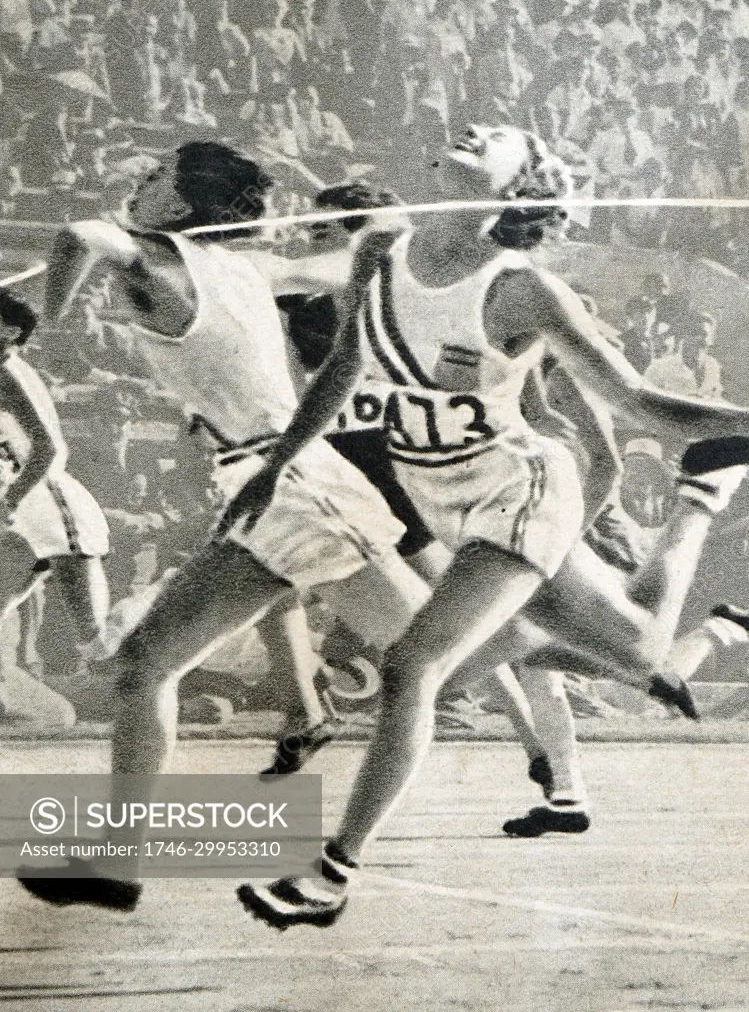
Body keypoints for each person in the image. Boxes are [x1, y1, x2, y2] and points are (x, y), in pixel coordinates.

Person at [234, 124, 749, 928]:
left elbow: (638, 403)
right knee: (643, 647)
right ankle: (701, 500)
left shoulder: (521, 288)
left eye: (498, 135)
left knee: (412, 664)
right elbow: (340, 367)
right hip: (434, 487)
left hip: (520, 487)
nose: (473, 129)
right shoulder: (379, 253)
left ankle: (330, 874)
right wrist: (276, 465)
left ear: (518, 187)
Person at [16, 141, 432, 910]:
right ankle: (116, 864)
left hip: (288, 487)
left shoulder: (152, 260)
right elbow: (349, 264)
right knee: (437, 649)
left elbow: (82, 235)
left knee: (450, 649)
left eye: (153, 180)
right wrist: (385, 232)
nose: (137, 188)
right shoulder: (252, 270)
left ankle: (655, 642)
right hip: (281, 483)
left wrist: (38, 318)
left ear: (180, 205)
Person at [0, 287, 110, 723]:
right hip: (20, 508)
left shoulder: (8, 372)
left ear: (8, 331)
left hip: (47, 502)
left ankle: (153, 695)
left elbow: (46, 447)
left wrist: (10, 499)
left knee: (93, 634)